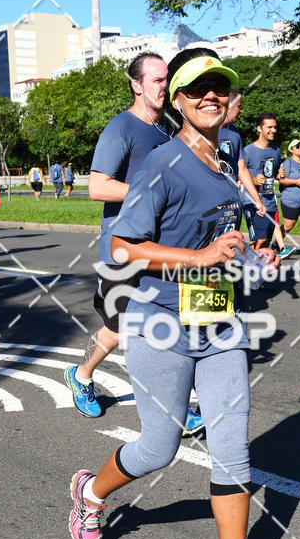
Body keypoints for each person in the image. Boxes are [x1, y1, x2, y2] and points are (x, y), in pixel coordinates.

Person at [68, 47, 286, 539]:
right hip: (157, 321)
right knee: (158, 448)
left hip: (218, 319)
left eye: (220, 86)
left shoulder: (223, 160)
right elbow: (122, 247)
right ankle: (92, 493)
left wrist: (247, 255)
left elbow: (216, 236)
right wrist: (200, 257)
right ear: (181, 102)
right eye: (196, 89)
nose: (210, 95)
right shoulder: (160, 163)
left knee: (232, 450)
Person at [64, 52, 202, 433]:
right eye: (156, 79)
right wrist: (149, 192)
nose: (163, 85)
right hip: (123, 248)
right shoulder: (121, 127)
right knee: (121, 327)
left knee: (170, 323)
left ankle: (176, 405)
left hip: (160, 247)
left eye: (166, 79)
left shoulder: (167, 129)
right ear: (137, 85)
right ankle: (81, 374)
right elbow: (97, 186)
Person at [218, 91, 266, 218]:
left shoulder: (235, 133)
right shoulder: (206, 128)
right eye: (239, 106)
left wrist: (257, 200)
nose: (241, 111)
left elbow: (242, 169)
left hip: (231, 199)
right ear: (229, 105)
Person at [242, 113, 283, 251]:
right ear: (259, 128)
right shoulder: (247, 151)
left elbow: (275, 173)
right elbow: (237, 175)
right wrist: (253, 180)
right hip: (252, 202)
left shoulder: (276, 150)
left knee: (265, 243)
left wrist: (279, 175)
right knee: (260, 240)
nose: (273, 130)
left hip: (270, 202)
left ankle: (251, 266)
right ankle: (251, 269)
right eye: (269, 127)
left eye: (275, 127)